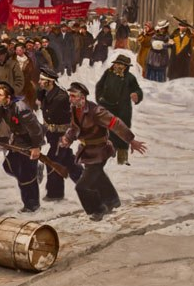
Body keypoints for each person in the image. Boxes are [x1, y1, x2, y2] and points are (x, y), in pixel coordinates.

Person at [60, 82, 147, 221]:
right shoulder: (75, 109)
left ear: (82, 97)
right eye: (70, 95)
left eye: (73, 96)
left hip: (100, 151)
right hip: (86, 151)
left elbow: (115, 123)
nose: (70, 99)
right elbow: (75, 128)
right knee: (98, 176)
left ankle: (98, 209)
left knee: (82, 187)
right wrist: (68, 138)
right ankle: (112, 200)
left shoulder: (96, 111)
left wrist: (131, 140)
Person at [0, 81, 44, 212]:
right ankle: (36, 170)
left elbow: (35, 130)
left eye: (0, 95)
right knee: (8, 165)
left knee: (26, 176)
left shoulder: (21, 109)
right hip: (16, 141)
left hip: (30, 141)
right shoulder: (4, 105)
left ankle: (32, 205)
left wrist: (36, 147)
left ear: (8, 97)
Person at [36, 67, 83, 201]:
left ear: (50, 81)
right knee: (67, 159)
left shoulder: (61, 97)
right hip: (51, 134)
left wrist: (68, 136)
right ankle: (86, 182)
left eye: (42, 80)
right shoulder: (44, 92)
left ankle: (55, 194)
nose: (39, 82)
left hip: (62, 135)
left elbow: (73, 118)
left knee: (53, 160)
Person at [95, 54, 144, 165]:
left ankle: (122, 160)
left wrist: (137, 95)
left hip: (122, 110)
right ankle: (107, 156)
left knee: (122, 134)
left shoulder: (130, 78)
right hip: (107, 108)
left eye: (121, 65)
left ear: (126, 67)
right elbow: (99, 86)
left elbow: (138, 90)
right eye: (117, 64)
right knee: (107, 133)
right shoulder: (108, 73)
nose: (118, 66)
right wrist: (100, 99)